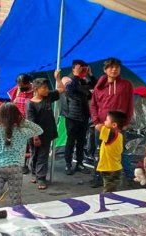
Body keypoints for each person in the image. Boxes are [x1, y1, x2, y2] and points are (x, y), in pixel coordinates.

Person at [0, 103, 43, 209]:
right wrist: (22, 121)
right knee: (15, 198)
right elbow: (39, 130)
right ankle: (17, 219)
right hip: (15, 169)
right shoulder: (22, 131)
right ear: (17, 116)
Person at [90, 58, 134, 188]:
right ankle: (98, 177)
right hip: (101, 126)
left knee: (121, 152)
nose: (114, 69)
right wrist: (96, 122)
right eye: (111, 67)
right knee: (99, 151)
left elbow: (130, 105)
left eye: (117, 67)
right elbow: (93, 105)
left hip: (118, 127)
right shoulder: (99, 86)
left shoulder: (126, 85)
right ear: (105, 70)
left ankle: (130, 178)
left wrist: (125, 123)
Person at [27, 70, 65, 190]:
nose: (46, 89)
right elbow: (31, 122)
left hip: (47, 133)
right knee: (35, 154)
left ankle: (41, 178)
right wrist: (35, 137)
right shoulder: (30, 104)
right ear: (36, 89)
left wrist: (57, 78)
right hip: (34, 134)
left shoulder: (48, 97)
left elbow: (61, 90)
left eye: (47, 87)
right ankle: (34, 172)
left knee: (43, 155)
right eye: (43, 88)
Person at [61, 60, 96, 175]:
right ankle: (68, 164)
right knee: (71, 141)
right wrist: (76, 75)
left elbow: (96, 87)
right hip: (71, 116)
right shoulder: (67, 79)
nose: (83, 71)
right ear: (73, 69)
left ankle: (79, 164)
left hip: (84, 115)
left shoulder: (85, 80)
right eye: (81, 68)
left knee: (82, 141)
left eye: (84, 68)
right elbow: (70, 90)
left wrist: (90, 74)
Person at [7, 73, 34, 174]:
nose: (21, 87)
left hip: (29, 122)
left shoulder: (35, 91)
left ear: (29, 83)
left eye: (23, 86)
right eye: (19, 85)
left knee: (28, 144)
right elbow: (12, 103)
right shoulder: (17, 89)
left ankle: (27, 164)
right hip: (17, 122)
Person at [95, 111, 127, 192]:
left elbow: (97, 127)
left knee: (108, 192)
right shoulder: (119, 135)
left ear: (114, 125)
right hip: (114, 168)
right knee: (111, 189)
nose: (104, 122)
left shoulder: (111, 134)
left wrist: (102, 125)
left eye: (106, 120)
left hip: (109, 169)